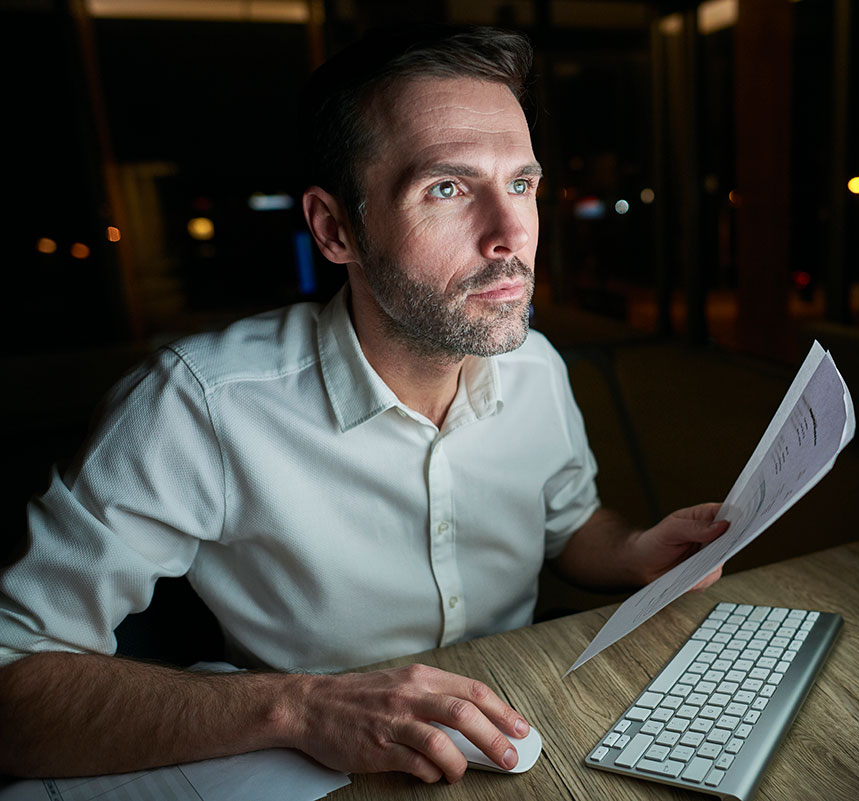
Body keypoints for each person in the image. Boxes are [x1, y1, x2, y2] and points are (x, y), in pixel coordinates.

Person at [0, 26, 728, 784]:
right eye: (447, 188)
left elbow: (571, 521)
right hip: (311, 771)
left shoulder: (534, 365)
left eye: (521, 184)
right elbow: (10, 680)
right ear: (336, 228)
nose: (512, 234)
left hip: (518, 734)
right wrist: (302, 708)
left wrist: (632, 549)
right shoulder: (198, 404)